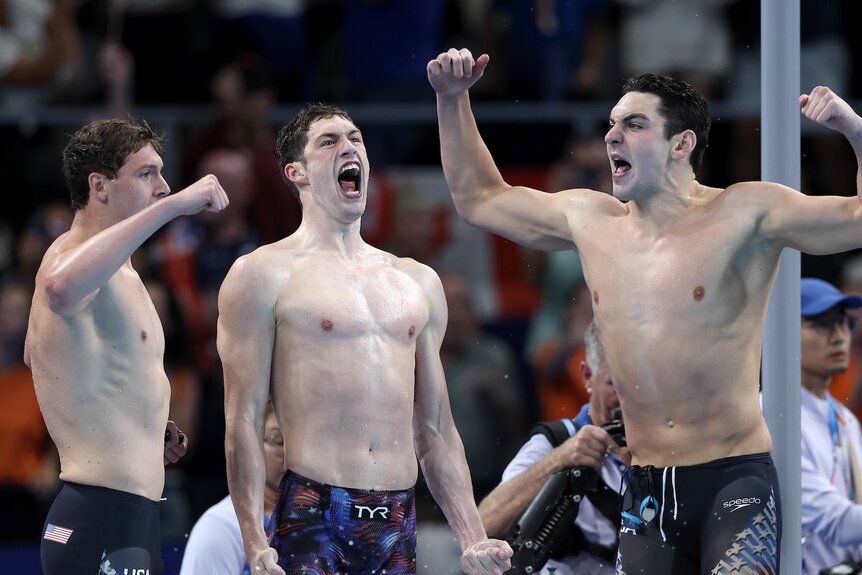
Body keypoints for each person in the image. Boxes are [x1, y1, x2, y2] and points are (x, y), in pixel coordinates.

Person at [427, 47, 862, 572]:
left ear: (682, 144)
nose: (611, 136)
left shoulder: (746, 212)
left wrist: (855, 131)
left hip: (733, 479)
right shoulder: (591, 220)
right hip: (648, 487)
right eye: (611, 124)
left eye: (633, 125)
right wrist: (452, 100)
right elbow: (479, 198)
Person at [218, 103, 513, 575]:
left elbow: (436, 429)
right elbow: (243, 421)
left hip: (397, 515)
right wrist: (254, 540)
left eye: (355, 138)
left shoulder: (417, 281)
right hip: (313, 508)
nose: (349, 147)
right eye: (329, 141)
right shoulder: (262, 273)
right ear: (297, 172)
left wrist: (472, 538)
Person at [25, 118, 228, 575]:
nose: (164, 186)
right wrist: (176, 207)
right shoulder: (66, 256)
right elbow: (60, 288)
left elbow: (55, 358)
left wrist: (145, 424)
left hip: (126, 514)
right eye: (146, 174)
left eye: (162, 174)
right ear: (99, 185)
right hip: (100, 514)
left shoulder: (119, 271)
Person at [479, 320, 629, 575]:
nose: (629, 399)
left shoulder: (672, 450)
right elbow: (485, 525)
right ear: (588, 377)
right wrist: (561, 458)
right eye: (615, 384)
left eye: (641, 386)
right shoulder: (556, 441)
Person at [798, 278, 862, 574]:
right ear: (782, 331)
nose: (839, 336)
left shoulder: (846, 419)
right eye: (822, 324)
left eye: (844, 324)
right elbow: (834, 521)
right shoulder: (768, 415)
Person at [180, 402, 284, 575]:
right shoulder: (220, 527)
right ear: (252, 446)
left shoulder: (329, 520)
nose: (289, 452)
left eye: (298, 442)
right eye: (278, 440)